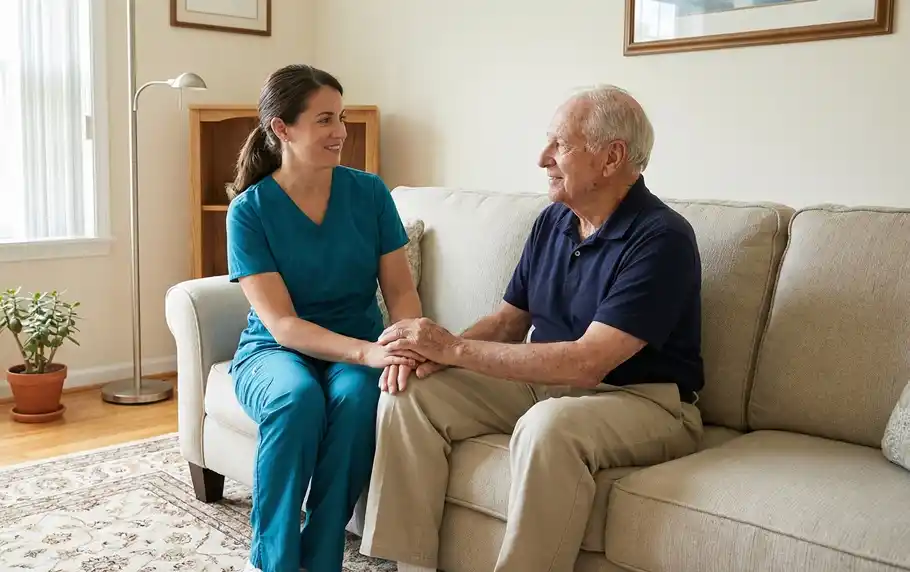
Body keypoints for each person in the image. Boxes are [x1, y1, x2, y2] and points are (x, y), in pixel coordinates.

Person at [359, 85, 705, 572]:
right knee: (410, 393)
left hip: (645, 399)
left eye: (560, 145)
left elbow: (588, 362)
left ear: (612, 158)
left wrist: (453, 347)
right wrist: (429, 354)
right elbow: (507, 322)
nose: (543, 158)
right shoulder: (553, 222)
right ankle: (408, 565)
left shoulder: (661, 238)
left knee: (549, 427)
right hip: (544, 383)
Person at [225, 64, 423, 572]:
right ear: (281, 129)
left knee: (360, 400)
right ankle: (274, 560)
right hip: (275, 350)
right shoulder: (249, 211)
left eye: (342, 118)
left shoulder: (370, 193)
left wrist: (403, 342)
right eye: (325, 120)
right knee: (296, 399)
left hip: (358, 345)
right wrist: (367, 351)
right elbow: (283, 325)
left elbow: (401, 290)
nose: (340, 133)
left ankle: (322, 555)